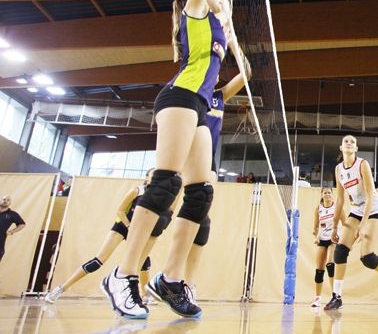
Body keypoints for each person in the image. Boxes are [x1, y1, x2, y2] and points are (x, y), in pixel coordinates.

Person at [102, 0, 235, 319]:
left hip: (199, 105)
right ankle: (122, 273)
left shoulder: (219, 26)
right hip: (179, 98)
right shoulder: (195, 11)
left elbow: (225, 3)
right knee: (164, 185)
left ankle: (170, 279)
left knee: (200, 193)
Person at [45, 170, 171, 304]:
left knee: (144, 262)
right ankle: (61, 288)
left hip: (138, 231)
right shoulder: (137, 190)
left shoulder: (158, 197)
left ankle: (144, 295)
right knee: (98, 261)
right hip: (123, 227)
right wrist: (129, 226)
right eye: (153, 175)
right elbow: (121, 210)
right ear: (147, 177)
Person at [181, 63, 250, 306]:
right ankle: (131, 274)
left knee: (202, 217)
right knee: (160, 214)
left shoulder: (219, 97)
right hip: (181, 149)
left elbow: (246, 74)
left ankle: (185, 283)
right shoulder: (187, 91)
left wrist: (233, 43)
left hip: (205, 156)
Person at [324, 135, 378, 310]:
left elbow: (369, 196)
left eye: (353, 142)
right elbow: (339, 200)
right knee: (340, 252)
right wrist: (334, 226)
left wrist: (362, 225)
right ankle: (337, 297)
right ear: (341, 147)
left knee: (366, 257)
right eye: (346, 141)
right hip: (356, 211)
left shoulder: (362, 164)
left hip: (374, 211)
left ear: (356, 148)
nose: (349, 143)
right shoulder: (338, 170)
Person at [310, 188, 337, 308]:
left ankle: (335, 297)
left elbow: (346, 222)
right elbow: (315, 227)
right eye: (325, 192)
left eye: (329, 192)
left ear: (332, 194)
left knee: (330, 265)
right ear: (322, 195)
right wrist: (316, 236)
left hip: (333, 240)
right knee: (319, 270)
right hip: (322, 239)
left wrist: (340, 235)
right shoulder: (318, 208)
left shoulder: (337, 207)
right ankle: (317, 298)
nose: (327, 194)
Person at [0, 195, 26, 264]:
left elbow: (22, 224)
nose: (5, 201)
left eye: (8, 200)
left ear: (10, 203)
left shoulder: (12, 214)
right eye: (4, 199)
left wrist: (12, 231)